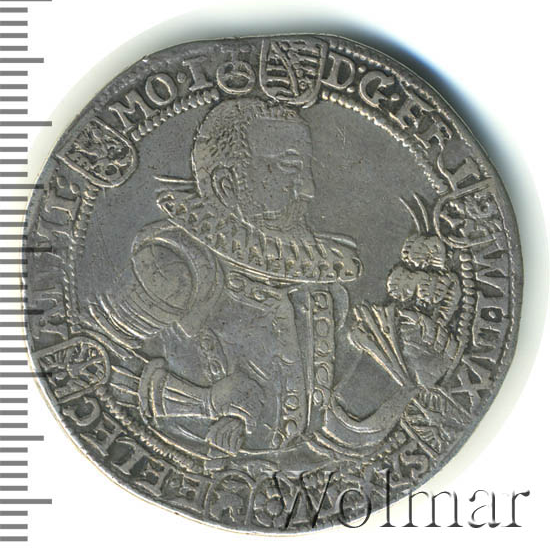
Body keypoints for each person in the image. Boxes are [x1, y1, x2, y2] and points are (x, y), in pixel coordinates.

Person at [87, 97, 455, 463]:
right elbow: (91, 363)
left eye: (305, 170)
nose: (307, 190)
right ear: (227, 184)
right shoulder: (176, 264)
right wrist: (203, 402)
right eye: (288, 168)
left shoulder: (322, 287)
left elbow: (325, 441)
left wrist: (397, 375)